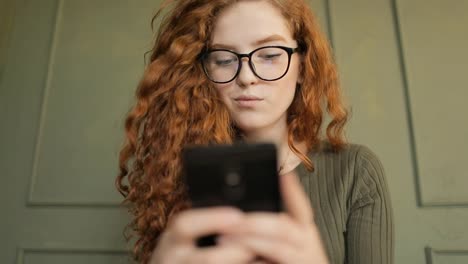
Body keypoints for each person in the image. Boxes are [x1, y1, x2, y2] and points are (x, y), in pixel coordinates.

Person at [116, 0, 394, 263]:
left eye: (270, 55)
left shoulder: (356, 170)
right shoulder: (183, 171)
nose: (246, 77)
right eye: (224, 59)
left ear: (302, 67)